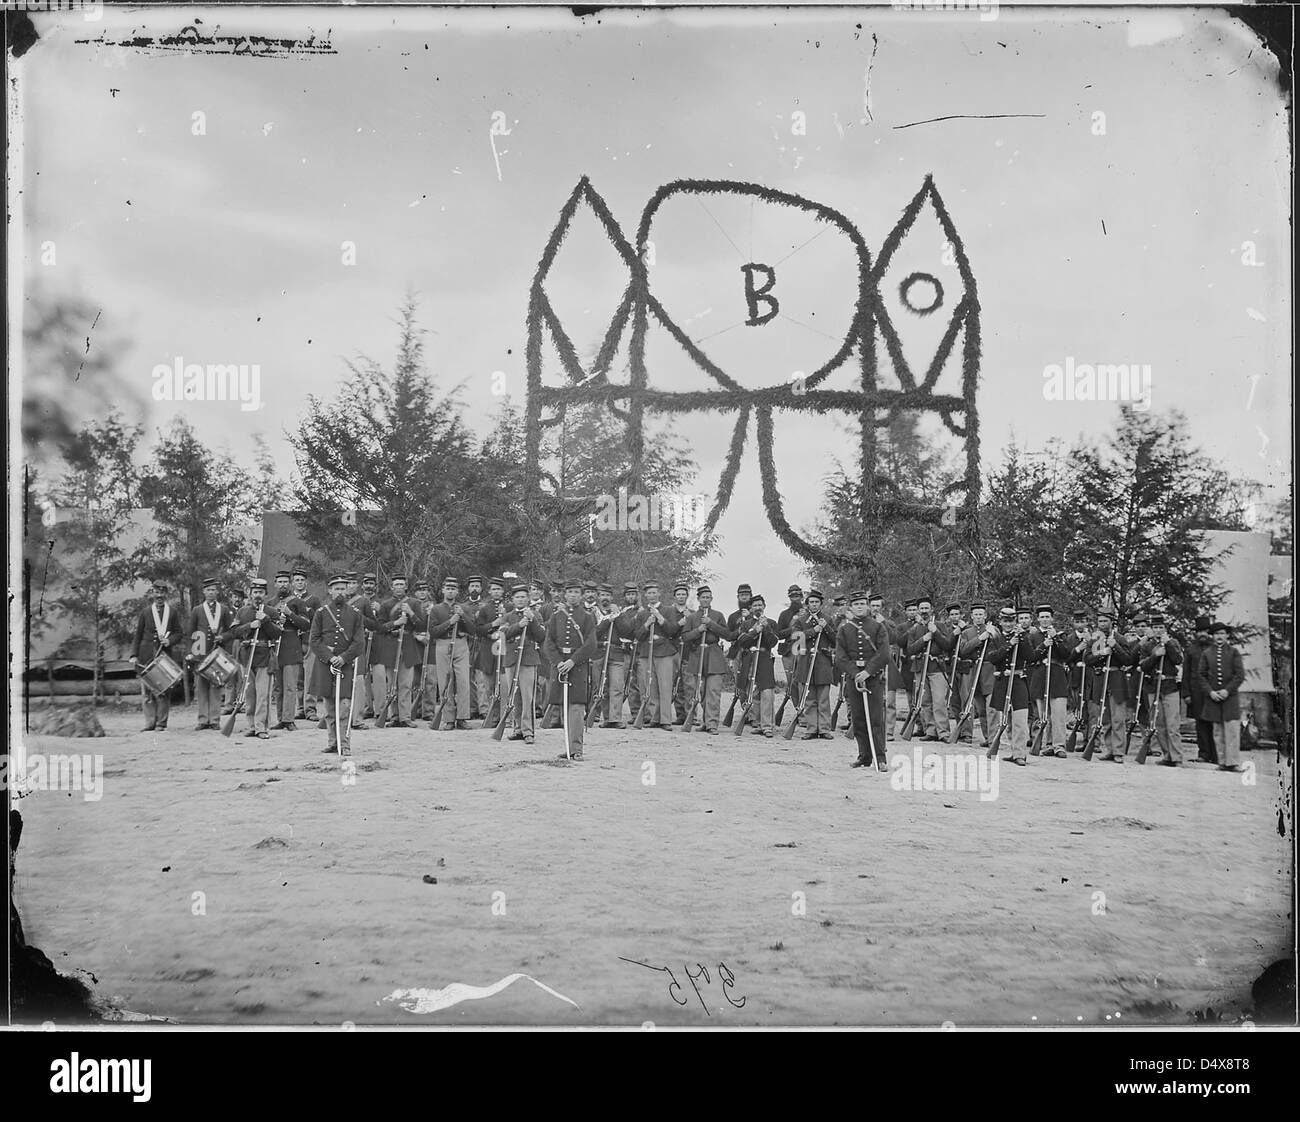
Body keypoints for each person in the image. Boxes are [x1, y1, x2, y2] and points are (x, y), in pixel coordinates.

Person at [308, 575, 365, 757]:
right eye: (336, 589)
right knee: (329, 708)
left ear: (348, 590)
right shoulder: (321, 613)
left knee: (345, 707)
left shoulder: (355, 614)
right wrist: (330, 657)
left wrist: (343, 657)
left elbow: (359, 643)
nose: (340, 592)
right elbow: (314, 640)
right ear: (330, 591)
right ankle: (333, 742)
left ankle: (345, 744)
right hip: (326, 665)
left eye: (343, 588)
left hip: (346, 666)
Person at [834, 590, 891, 770]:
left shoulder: (877, 627)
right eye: (856, 604)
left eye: (862, 604)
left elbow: (884, 654)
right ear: (851, 607)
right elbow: (840, 657)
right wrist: (855, 673)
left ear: (867, 606)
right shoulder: (844, 629)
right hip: (854, 679)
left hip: (872, 678)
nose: (859, 607)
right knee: (858, 719)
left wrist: (867, 672)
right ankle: (864, 756)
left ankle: (880, 758)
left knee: (875, 719)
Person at [544, 578, 598, 760]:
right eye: (570, 592)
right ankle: (569, 747)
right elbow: (548, 642)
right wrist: (558, 662)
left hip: (578, 667)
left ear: (581, 596)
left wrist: (573, 661)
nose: (573, 595)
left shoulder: (587, 617)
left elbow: (591, 644)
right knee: (564, 707)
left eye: (576, 592)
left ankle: (577, 749)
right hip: (560, 667)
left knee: (576, 707)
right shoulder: (556, 616)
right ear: (565, 595)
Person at [230, 577, 284, 739]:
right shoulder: (242, 611)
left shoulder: (271, 612)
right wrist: (250, 626)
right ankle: (252, 725)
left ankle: (262, 727)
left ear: (266, 594)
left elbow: (277, 633)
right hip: (246, 657)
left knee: (262, 695)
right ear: (250, 594)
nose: (258, 595)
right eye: (255, 592)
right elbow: (234, 632)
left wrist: (265, 620)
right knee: (249, 695)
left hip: (264, 657)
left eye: (261, 592)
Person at [130, 578, 185, 732]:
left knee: (163, 689)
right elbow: (138, 634)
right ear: (152, 593)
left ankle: (161, 723)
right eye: (156, 593)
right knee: (147, 690)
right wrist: (134, 654)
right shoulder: (145, 612)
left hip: (164, 655)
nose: (159, 596)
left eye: (162, 593)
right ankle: (149, 722)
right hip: (146, 654)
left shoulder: (172, 612)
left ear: (165, 594)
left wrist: (169, 640)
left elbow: (179, 633)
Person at [1083, 605, 1136, 762]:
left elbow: (1128, 660)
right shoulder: (1095, 639)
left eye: (1105, 621)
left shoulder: (1120, 638)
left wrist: (1115, 647)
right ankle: (1110, 749)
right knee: (1105, 718)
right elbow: (1087, 659)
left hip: (1117, 680)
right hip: (1101, 679)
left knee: (1118, 718)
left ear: (1112, 622)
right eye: (1100, 621)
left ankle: (1119, 751)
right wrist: (1102, 653)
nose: (1102, 624)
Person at [678, 585, 732, 733]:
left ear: (711, 599)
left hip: (714, 655)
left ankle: (712, 724)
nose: (706, 600)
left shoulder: (718, 615)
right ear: (699, 599)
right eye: (703, 597)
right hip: (697, 655)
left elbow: (727, 635)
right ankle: (704, 722)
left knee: (713, 692)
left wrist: (711, 624)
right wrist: (699, 630)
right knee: (700, 692)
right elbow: (685, 637)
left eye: (708, 597)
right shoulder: (692, 617)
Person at [1196, 621, 1246, 772]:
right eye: (1217, 634)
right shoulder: (1207, 653)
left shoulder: (1233, 652)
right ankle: (1223, 762)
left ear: (1227, 635)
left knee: (1232, 730)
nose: (1219, 637)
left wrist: (1227, 690)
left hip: (1229, 698)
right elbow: (1201, 675)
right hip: (1214, 698)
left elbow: (1239, 675)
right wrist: (1210, 692)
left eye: (1222, 634)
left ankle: (1233, 762)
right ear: (1212, 636)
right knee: (1218, 732)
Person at [186, 576, 235, 731]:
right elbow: (191, 632)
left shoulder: (224, 609)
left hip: (217, 654)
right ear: (203, 592)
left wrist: (223, 637)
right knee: (201, 687)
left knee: (215, 686)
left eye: (213, 590)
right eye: (208, 590)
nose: (211, 592)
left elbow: (231, 630)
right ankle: (202, 719)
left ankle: (214, 719)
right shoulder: (197, 610)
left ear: (217, 591)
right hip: (200, 653)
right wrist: (190, 654)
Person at [904, 596, 956, 741]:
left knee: (939, 701)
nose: (924, 611)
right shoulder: (915, 629)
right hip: (921, 668)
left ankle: (943, 732)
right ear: (918, 611)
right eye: (922, 609)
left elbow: (947, 645)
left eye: (927, 608)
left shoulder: (939, 625)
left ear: (932, 609)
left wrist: (936, 633)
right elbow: (910, 649)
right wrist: (924, 639)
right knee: (925, 701)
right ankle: (930, 731)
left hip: (937, 668)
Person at [501, 583, 546, 744]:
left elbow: (541, 636)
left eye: (523, 597)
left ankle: (528, 731)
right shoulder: (507, 616)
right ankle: (517, 728)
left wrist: (532, 621)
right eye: (517, 597)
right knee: (515, 695)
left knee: (528, 696)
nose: (520, 599)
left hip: (527, 659)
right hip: (511, 660)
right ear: (513, 599)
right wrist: (518, 626)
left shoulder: (535, 615)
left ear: (528, 599)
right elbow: (503, 634)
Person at [985, 606, 1031, 766]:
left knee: (1020, 719)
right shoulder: (995, 638)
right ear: (1000, 621)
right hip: (1002, 682)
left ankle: (1020, 754)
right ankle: (1012, 750)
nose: (1008, 624)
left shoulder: (1023, 636)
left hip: (1018, 681)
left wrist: (1022, 638)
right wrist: (1010, 644)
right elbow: (993, 658)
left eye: (1011, 621)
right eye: (1005, 621)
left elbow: (1030, 656)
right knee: (1006, 721)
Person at [428, 576, 473, 729]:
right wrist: (450, 622)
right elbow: (433, 632)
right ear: (443, 590)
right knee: (445, 681)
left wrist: (463, 617)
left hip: (461, 645)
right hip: (443, 644)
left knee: (463, 682)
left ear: (457, 591)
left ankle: (462, 717)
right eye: (448, 588)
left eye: (453, 589)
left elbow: (473, 630)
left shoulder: (464, 608)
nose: (451, 591)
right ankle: (448, 718)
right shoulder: (436, 609)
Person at [1139, 613, 1185, 766]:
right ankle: (1167, 756)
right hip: (1153, 688)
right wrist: (1155, 655)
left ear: (1165, 629)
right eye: (1155, 627)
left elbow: (1178, 660)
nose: (1158, 630)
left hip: (1170, 687)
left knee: (1172, 725)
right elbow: (1143, 666)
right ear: (1151, 629)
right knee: (1158, 725)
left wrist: (1169, 645)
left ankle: (1176, 757)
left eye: (1161, 627)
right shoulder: (1147, 646)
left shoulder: (1173, 642)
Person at [635, 580, 681, 730]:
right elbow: (638, 635)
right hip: (646, 653)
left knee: (665, 686)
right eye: (649, 593)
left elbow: (673, 631)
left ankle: (666, 720)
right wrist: (647, 623)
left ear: (659, 593)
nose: (652, 595)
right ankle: (655, 718)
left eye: (654, 592)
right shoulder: (642, 614)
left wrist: (660, 618)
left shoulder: (669, 610)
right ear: (645, 595)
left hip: (664, 652)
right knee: (650, 686)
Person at [1027, 604, 1070, 757]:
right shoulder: (1033, 636)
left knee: (1058, 714)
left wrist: (1056, 639)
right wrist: (1043, 645)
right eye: (1042, 617)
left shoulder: (1061, 635)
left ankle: (1059, 746)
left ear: (1052, 619)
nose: (1045, 620)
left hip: (1057, 676)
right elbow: (1030, 657)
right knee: (1043, 715)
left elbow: (1066, 654)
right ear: (1038, 619)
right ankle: (1047, 744)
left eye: (1047, 617)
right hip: (1040, 676)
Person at [272, 573, 312, 731]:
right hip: (276, 649)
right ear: (275, 584)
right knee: (278, 687)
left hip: (292, 647)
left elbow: (306, 624)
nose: (283, 584)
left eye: (285, 582)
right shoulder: (270, 602)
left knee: (290, 686)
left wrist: (290, 614)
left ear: (290, 584)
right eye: (280, 582)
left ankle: (289, 719)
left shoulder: (298, 602)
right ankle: (280, 718)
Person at [734, 593, 779, 736]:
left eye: (760, 605)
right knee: (753, 692)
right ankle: (757, 722)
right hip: (750, 658)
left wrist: (765, 628)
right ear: (751, 608)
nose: (758, 607)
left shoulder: (771, 623)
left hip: (764, 658)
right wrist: (755, 631)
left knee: (767, 691)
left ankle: (767, 726)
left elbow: (773, 642)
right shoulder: (745, 624)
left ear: (764, 606)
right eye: (755, 605)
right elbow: (742, 641)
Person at [794, 589, 836, 738]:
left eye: (816, 602)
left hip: (822, 661)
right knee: (809, 698)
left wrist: (826, 628)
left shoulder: (828, 619)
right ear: (807, 604)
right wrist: (814, 630)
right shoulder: (801, 620)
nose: (814, 604)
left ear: (821, 604)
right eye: (811, 602)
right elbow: (796, 638)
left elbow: (836, 640)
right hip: (806, 661)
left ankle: (824, 729)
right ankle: (811, 728)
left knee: (823, 698)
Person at [957, 604, 997, 746]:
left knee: (990, 706)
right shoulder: (967, 632)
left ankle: (991, 737)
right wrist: (980, 638)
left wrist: (992, 634)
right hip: (973, 670)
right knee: (978, 707)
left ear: (985, 616)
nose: (979, 617)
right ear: (972, 616)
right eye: (976, 614)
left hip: (988, 670)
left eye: (981, 614)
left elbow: (1000, 645)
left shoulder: (993, 629)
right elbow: (963, 650)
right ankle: (974, 734)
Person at [1182, 615, 1218, 763]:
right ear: (1196, 633)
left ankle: (1216, 756)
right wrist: (1186, 693)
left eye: (1205, 631)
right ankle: (1203, 754)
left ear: (1208, 632)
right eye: (1199, 631)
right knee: (1200, 724)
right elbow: (1186, 673)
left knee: (1214, 723)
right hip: (1196, 692)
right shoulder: (1191, 650)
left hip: (1213, 692)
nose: (1202, 634)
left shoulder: (1215, 648)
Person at [474, 578, 509, 727]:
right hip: (488, 649)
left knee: (504, 684)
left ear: (503, 591)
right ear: (489, 591)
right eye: (493, 589)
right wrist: (493, 626)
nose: (496, 592)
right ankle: (492, 716)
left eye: (499, 589)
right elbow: (478, 629)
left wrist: (505, 617)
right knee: (489, 684)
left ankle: (505, 717)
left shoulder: (509, 606)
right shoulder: (484, 609)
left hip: (505, 649)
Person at [606, 582, 641, 727]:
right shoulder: (623, 610)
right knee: (620, 684)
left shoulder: (639, 611)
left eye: (633, 594)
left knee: (634, 684)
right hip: (621, 650)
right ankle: (613, 715)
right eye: (628, 594)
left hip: (633, 650)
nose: (631, 597)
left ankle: (637, 713)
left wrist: (619, 616)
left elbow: (628, 629)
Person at [290, 569, 321, 721]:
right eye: (297, 580)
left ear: (306, 582)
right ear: (292, 583)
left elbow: (319, 619)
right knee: (297, 678)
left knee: (310, 676)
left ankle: (310, 709)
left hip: (309, 641)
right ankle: (300, 708)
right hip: (293, 642)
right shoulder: (288, 600)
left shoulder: (313, 600)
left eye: (302, 580)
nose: (300, 583)